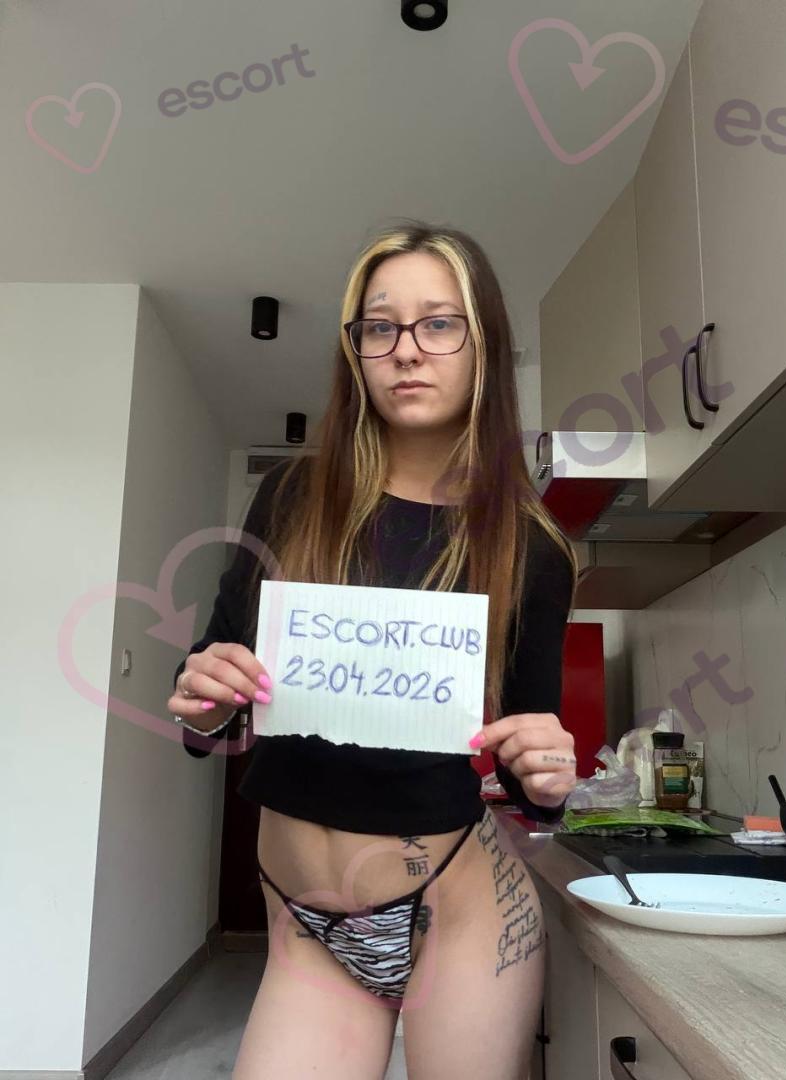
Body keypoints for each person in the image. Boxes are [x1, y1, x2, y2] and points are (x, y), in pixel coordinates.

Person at [167, 219, 577, 1079]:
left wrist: (543, 778)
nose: (406, 350)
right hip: (303, 919)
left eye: (439, 323)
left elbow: (523, 769)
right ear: (354, 349)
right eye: (379, 326)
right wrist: (201, 697)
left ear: (483, 344)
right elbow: (213, 695)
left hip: (457, 907)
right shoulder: (290, 495)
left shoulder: (530, 546)